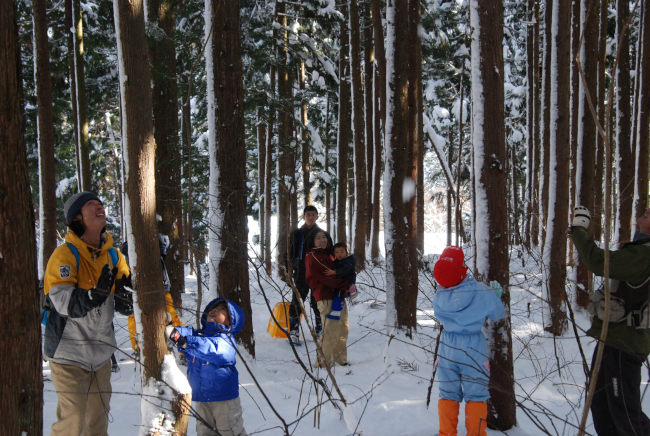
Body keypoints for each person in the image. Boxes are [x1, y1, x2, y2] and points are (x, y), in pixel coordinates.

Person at [43, 191, 133, 436]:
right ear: (77, 217)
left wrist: (128, 299)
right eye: (91, 205)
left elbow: (125, 299)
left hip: (100, 354)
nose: (99, 206)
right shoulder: (65, 254)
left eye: (100, 203)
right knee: (72, 423)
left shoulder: (114, 255)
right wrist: (93, 296)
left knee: (97, 423)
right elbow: (61, 301)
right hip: (67, 353)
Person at [569, 205, 650, 435]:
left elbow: (599, 262)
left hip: (624, 344)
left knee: (624, 413)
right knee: (602, 406)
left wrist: (579, 231)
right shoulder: (640, 250)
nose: (646, 210)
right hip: (614, 340)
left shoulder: (644, 256)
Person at [432, 245, 505, 436]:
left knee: (448, 393)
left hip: (447, 347)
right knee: (476, 395)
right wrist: (494, 296)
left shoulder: (439, 296)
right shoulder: (480, 292)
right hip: (473, 347)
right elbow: (498, 313)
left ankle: (446, 433)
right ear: (463, 268)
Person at [166, 298, 247, 436]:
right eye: (213, 309)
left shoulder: (226, 340)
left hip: (224, 399)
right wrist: (173, 331)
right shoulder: (198, 335)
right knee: (205, 432)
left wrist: (186, 343)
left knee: (230, 431)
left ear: (230, 322)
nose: (214, 310)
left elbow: (210, 347)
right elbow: (188, 333)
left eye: (222, 309)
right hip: (202, 398)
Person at [122, 234, 182, 356]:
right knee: (135, 318)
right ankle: (139, 348)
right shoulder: (133, 251)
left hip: (160, 290)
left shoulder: (156, 250)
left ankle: (182, 347)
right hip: (140, 291)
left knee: (171, 318)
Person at [305, 230, 351, 367]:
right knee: (330, 329)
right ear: (313, 241)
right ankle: (323, 361)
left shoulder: (331, 255)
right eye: (318, 238)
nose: (322, 240)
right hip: (325, 297)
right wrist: (346, 284)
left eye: (324, 237)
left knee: (343, 328)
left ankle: (340, 358)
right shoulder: (312, 256)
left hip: (339, 297)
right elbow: (325, 277)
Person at [287, 205, 323, 345]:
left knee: (317, 301)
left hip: (317, 273)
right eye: (308, 214)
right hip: (300, 272)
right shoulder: (296, 233)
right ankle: (294, 330)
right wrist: (288, 270)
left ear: (317, 217)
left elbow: (329, 253)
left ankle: (319, 328)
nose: (310, 217)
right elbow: (289, 253)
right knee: (297, 300)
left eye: (313, 214)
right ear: (304, 217)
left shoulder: (322, 234)